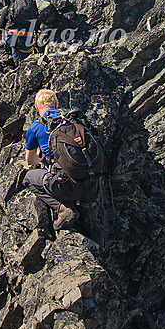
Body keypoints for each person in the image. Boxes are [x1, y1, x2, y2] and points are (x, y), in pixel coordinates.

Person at [22, 90, 105, 244]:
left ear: (36, 106)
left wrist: (41, 156)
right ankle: (101, 257)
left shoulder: (36, 126)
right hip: (90, 183)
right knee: (93, 227)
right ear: (56, 104)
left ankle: (62, 209)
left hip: (63, 186)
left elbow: (30, 161)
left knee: (29, 178)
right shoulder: (74, 120)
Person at [0, 0, 40, 66]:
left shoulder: (12, 5)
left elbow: (3, 17)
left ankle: (15, 63)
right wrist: (36, 33)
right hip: (27, 32)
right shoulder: (32, 6)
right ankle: (23, 65)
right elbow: (36, 19)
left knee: (14, 46)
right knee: (26, 52)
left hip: (12, 31)